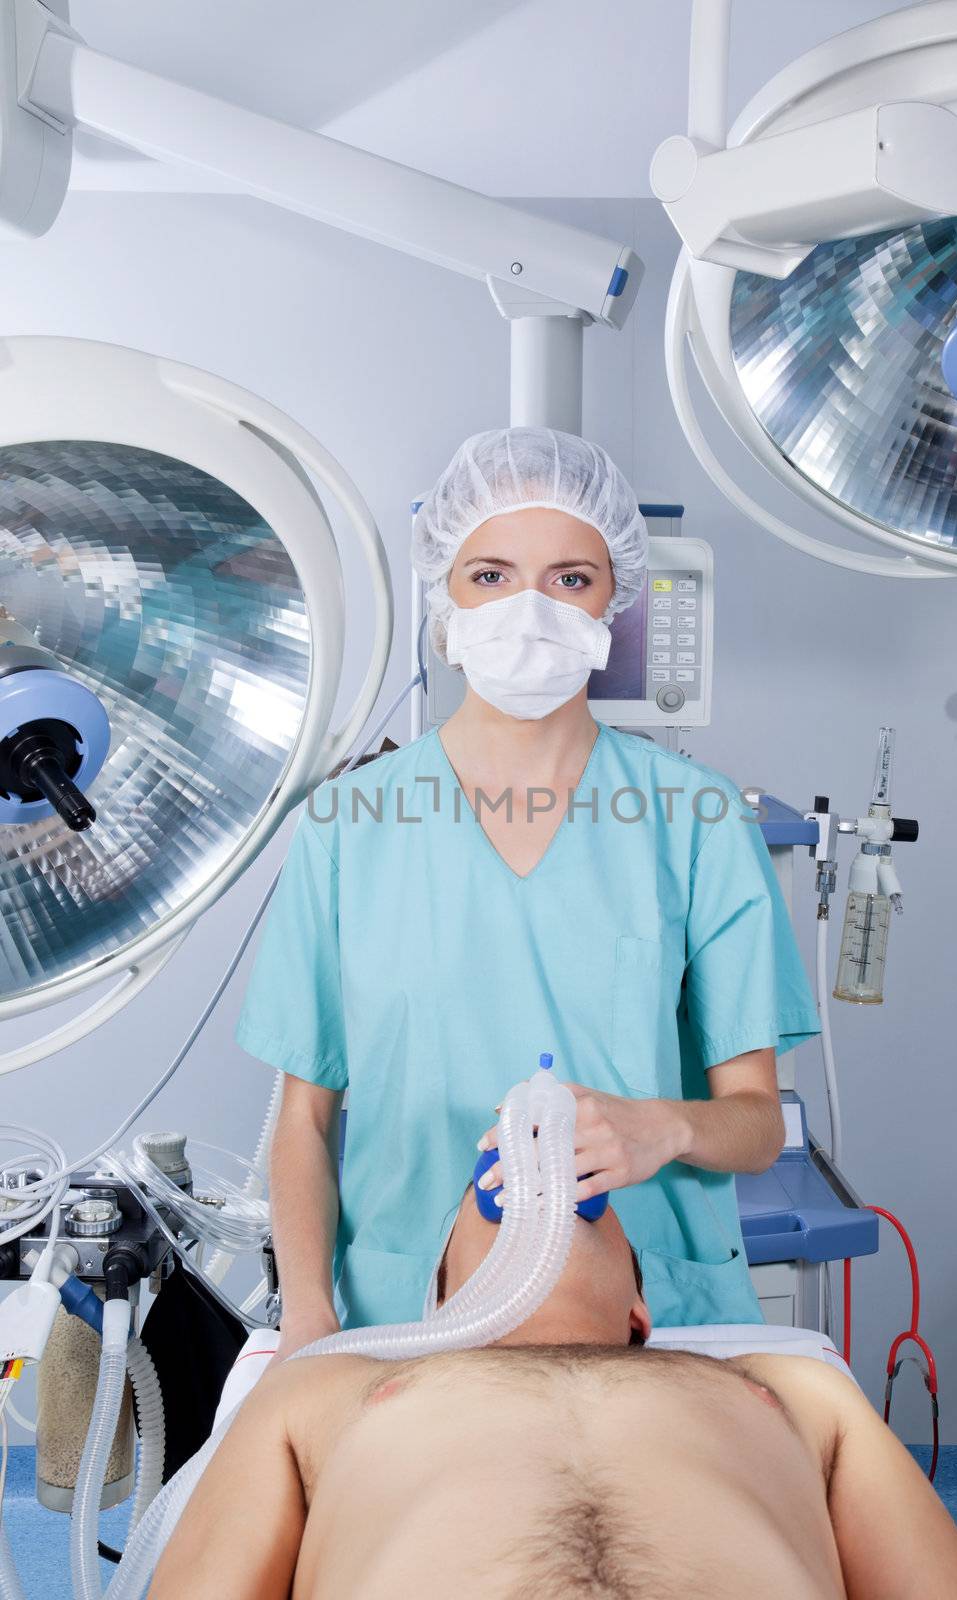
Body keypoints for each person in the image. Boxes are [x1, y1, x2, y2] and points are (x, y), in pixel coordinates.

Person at [233, 427, 821, 1356]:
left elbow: (753, 1125)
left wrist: (656, 1128)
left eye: (570, 580)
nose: (530, 612)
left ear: (614, 600)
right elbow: (305, 1120)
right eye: (492, 575)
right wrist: (309, 1319)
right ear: (444, 597)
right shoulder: (352, 823)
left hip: (648, 1307)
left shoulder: (695, 818)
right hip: (408, 1303)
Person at [150, 1182, 957, 1599]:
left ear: (639, 1308)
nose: (532, 1179)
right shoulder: (324, 1388)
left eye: (594, 1208)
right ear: (441, 1305)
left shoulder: (794, 1387)